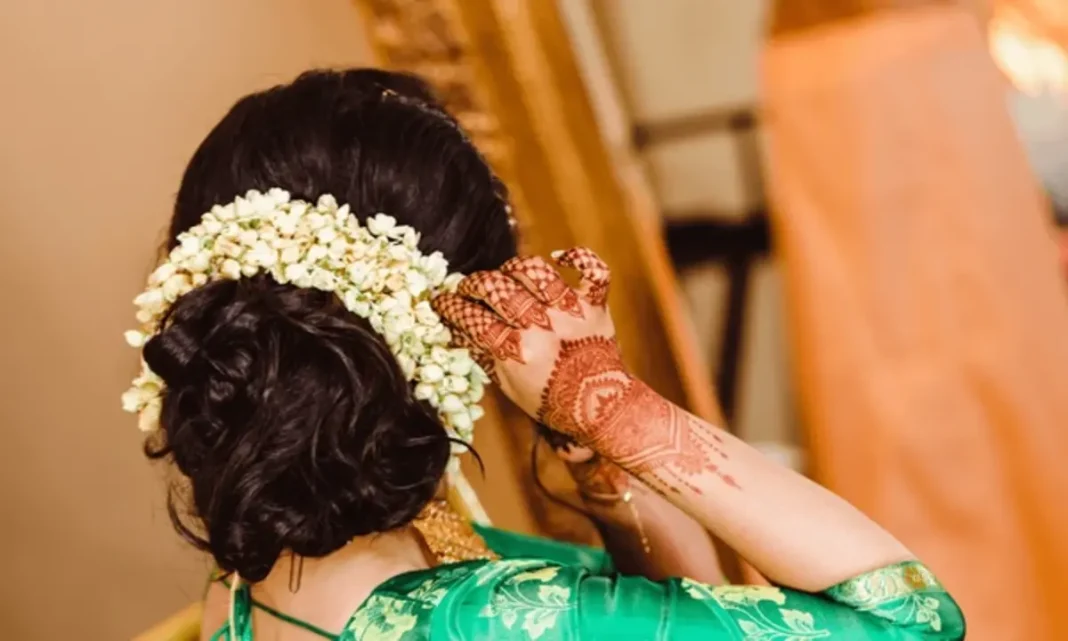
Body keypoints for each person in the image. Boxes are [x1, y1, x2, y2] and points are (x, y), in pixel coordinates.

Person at [123, 69, 965, 640]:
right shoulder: (491, 618)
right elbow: (911, 617)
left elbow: (683, 605)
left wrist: (614, 487)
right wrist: (614, 404)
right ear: (456, 335)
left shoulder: (256, 582)